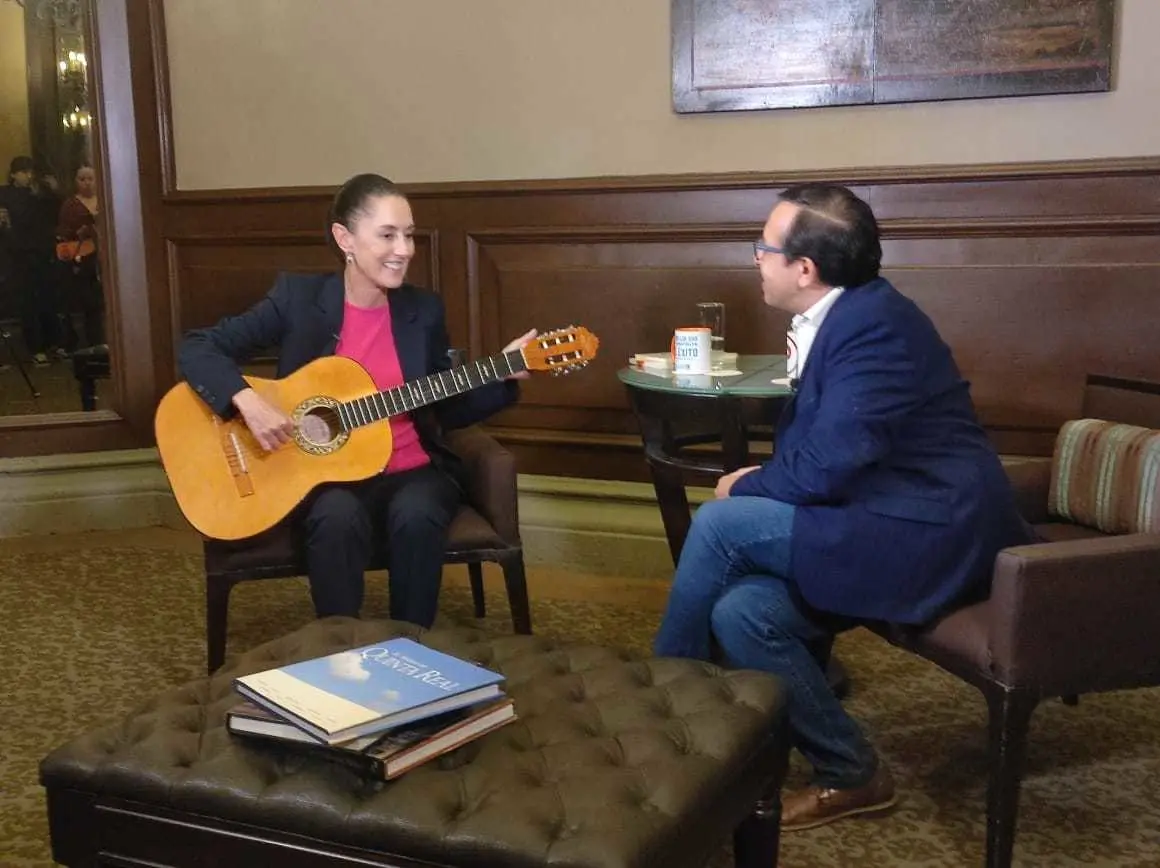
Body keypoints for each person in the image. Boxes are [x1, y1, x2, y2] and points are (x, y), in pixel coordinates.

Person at [652, 184, 1033, 832]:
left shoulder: (875, 327)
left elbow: (830, 462)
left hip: (928, 531)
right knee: (742, 613)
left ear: (805, 269)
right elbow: (831, 454)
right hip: (878, 511)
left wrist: (743, 484)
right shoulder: (852, 312)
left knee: (720, 523)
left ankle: (658, 723)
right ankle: (851, 770)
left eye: (763, 248)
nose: (755, 260)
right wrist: (761, 477)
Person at [179, 172, 537, 627]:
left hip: (413, 470)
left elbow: (445, 407)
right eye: (387, 235)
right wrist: (245, 399)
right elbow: (197, 346)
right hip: (322, 475)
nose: (404, 249)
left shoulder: (422, 310)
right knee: (336, 517)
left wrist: (502, 374)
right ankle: (337, 657)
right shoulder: (297, 299)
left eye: (408, 235)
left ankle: (411, 653)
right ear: (344, 238)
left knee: (418, 512)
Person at [56, 163, 104, 348]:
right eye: (82, 179)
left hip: (107, 257)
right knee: (89, 303)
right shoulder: (70, 205)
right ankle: (91, 343)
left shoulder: (106, 200)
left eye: (90, 179)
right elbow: (62, 232)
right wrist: (79, 231)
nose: (87, 183)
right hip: (83, 259)